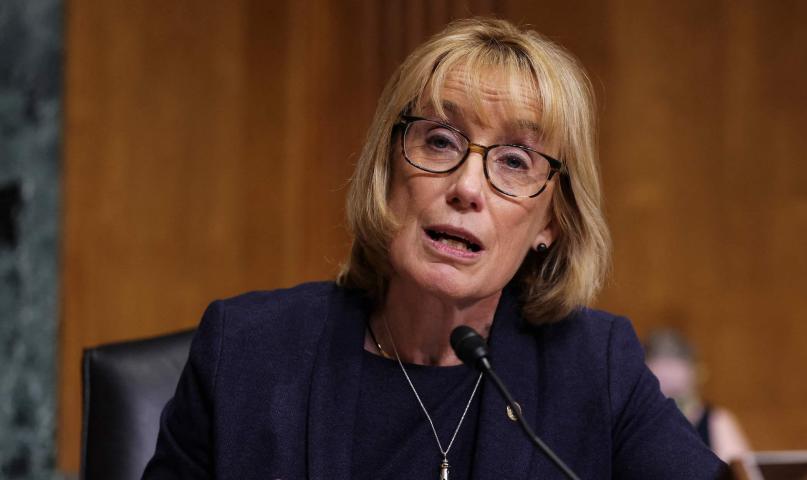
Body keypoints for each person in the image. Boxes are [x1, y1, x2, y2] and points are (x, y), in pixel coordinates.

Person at [143, 17, 726, 479]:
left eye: (515, 161)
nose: (467, 187)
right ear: (387, 170)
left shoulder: (594, 367)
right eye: (440, 141)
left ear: (553, 221)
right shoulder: (247, 350)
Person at [644, 328, 751, 463]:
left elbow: (738, 471)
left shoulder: (717, 421)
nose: (672, 404)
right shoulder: (636, 423)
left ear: (696, 374)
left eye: (677, 391)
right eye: (661, 387)